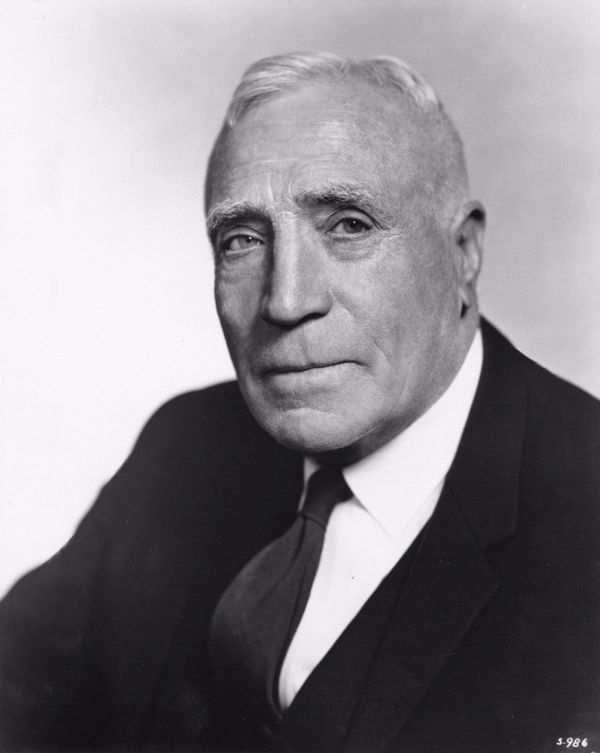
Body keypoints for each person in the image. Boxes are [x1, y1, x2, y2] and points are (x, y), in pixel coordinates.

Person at [1, 51, 599, 753]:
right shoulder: (187, 445)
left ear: (463, 252)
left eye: (349, 225)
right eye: (243, 240)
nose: (286, 300)